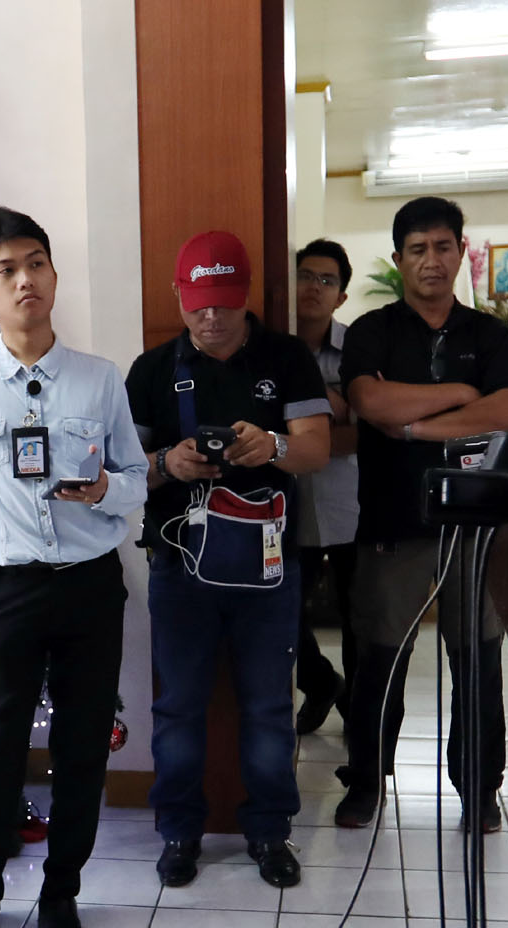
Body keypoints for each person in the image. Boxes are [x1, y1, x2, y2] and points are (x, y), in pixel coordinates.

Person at [0, 206, 149, 928]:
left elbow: (136, 477)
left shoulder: (98, 378)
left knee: (82, 749)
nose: (25, 279)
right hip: (6, 590)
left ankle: (61, 896)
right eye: (5, 270)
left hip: (88, 586)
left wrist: (102, 493)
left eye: (36, 263)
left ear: (53, 274)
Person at [126, 229, 329, 889]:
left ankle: (269, 831)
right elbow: (124, 471)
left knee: (270, 705)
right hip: (178, 566)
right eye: (197, 304)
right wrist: (168, 463)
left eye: (223, 303)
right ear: (179, 298)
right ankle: (178, 831)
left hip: (269, 566)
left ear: (244, 298)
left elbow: (315, 450)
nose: (210, 318)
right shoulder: (152, 370)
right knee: (179, 706)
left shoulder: (287, 357)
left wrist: (268, 446)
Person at [336, 195, 508, 832]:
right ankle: (366, 781)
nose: (431, 260)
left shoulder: (491, 334)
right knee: (379, 662)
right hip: (395, 522)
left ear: (461, 253)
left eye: (443, 247)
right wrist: (459, 394)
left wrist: (417, 428)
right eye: (417, 249)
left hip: (480, 529)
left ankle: (478, 789)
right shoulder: (373, 331)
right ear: (398, 260)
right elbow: (371, 400)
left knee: (477, 663)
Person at [291, 238, 364, 734]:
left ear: (340, 296)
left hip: (349, 505)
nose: (314, 288)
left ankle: (360, 720)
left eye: (327, 280)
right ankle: (320, 682)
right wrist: (331, 408)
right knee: (284, 620)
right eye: (306, 275)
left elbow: (367, 433)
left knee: (359, 621)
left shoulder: (358, 350)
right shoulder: (272, 348)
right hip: (288, 505)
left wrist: (306, 430)